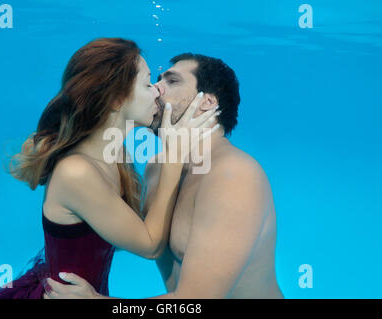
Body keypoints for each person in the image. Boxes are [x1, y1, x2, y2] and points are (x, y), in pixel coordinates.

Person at [0, 40, 219, 299]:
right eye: (147, 84)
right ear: (116, 99)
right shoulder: (77, 172)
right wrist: (173, 156)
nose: (158, 90)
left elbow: (119, 232)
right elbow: (149, 246)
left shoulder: (115, 153)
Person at [42, 53, 284, 299]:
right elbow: (131, 236)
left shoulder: (235, 177)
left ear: (207, 102)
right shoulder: (157, 168)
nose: (156, 90)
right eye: (154, 82)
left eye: (172, 81)